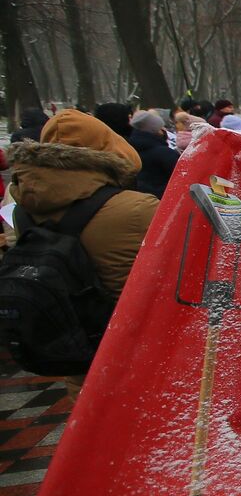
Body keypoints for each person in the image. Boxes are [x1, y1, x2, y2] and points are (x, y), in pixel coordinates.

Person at [7, 109, 159, 395]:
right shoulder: (136, 207)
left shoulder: (22, 208)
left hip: (72, 340)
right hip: (135, 345)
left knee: (93, 421)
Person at [128, 110, 178, 198]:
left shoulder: (129, 149)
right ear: (155, 129)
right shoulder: (165, 153)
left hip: (139, 199)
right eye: (161, 127)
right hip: (164, 198)